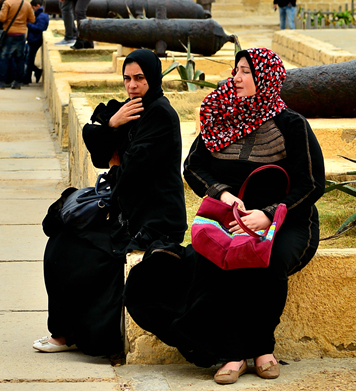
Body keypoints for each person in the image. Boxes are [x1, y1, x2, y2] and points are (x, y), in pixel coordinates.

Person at [125, 48, 325, 383]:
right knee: (215, 267)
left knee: (268, 262)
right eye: (236, 70)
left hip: (287, 221)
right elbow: (193, 167)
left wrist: (268, 215)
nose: (237, 78)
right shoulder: (220, 115)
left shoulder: (292, 125)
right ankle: (233, 354)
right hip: (229, 218)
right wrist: (223, 194)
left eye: (246, 71)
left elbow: (312, 183)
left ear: (266, 78)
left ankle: (263, 348)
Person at [37, 49, 187, 359]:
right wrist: (113, 125)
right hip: (125, 210)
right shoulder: (131, 109)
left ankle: (88, 336)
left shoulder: (160, 114)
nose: (132, 85)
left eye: (140, 78)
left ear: (153, 78)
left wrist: (114, 151)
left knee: (87, 256)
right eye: (127, 78)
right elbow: (94, 139)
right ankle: (65, 332)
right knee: (60, 241)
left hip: (154, 219)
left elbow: (132, 170)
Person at [0, 0, 37, 89]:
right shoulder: (26, 3)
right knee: (20, 59)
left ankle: (2, 82)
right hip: (21, 33)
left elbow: (1, 18)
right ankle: (17, 82)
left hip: (9, 33)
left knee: (4, 58)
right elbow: (32, 19)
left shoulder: (7, 3)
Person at [23, 0, 49, 85]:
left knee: (29, 59)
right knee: (29, 59)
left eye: (33, 7)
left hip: (35, 39)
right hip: (34, 39)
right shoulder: (41, 14)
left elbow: (39, 28)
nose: (32, 9)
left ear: (37, 5)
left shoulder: (42, 15)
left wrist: (28, 24)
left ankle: (29, 76)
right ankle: (30, 75)